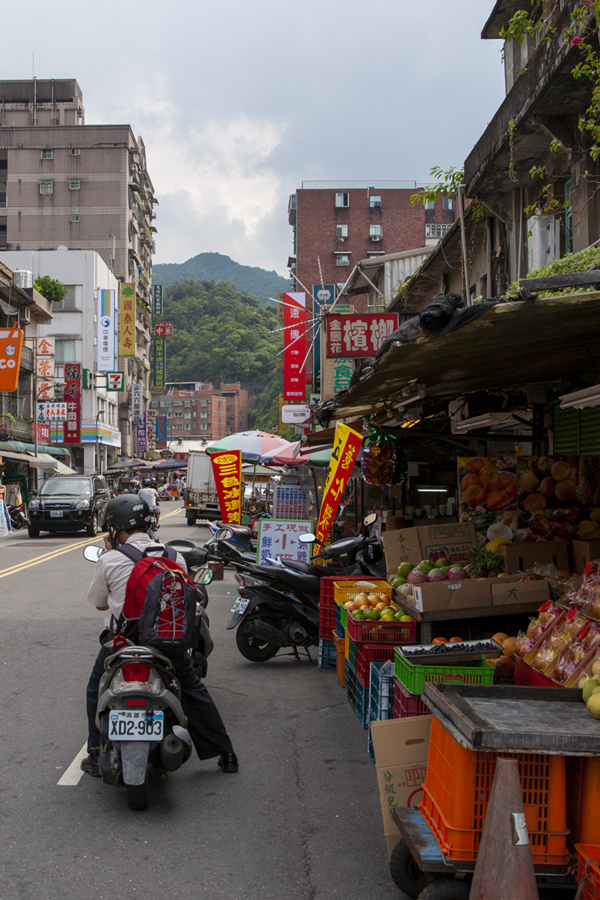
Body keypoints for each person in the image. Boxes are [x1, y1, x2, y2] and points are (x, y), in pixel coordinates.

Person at [81, 494, 238, 776]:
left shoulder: (110, 559)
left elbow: (100, 603)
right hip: (168, 644)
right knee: (192, 688)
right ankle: (226, 754)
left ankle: (95, 752)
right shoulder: (173, 555)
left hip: (124, 645)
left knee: (96, 686)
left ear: (116, 529)